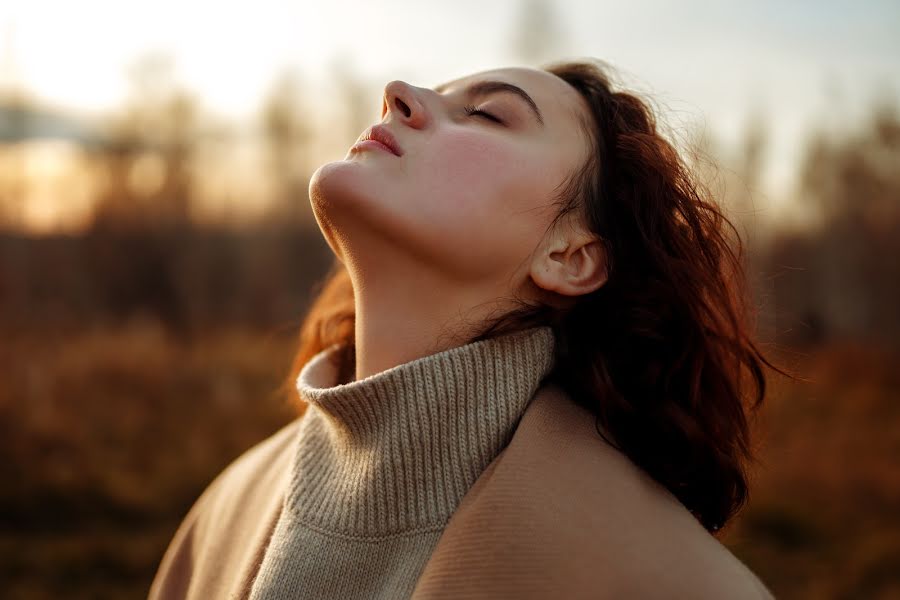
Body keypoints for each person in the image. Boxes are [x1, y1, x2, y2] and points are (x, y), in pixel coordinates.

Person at [149, 58, 777, 599]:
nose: (399, 93)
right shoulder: (221, 514)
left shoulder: (669, 581)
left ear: (570, 255)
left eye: (487, 114)